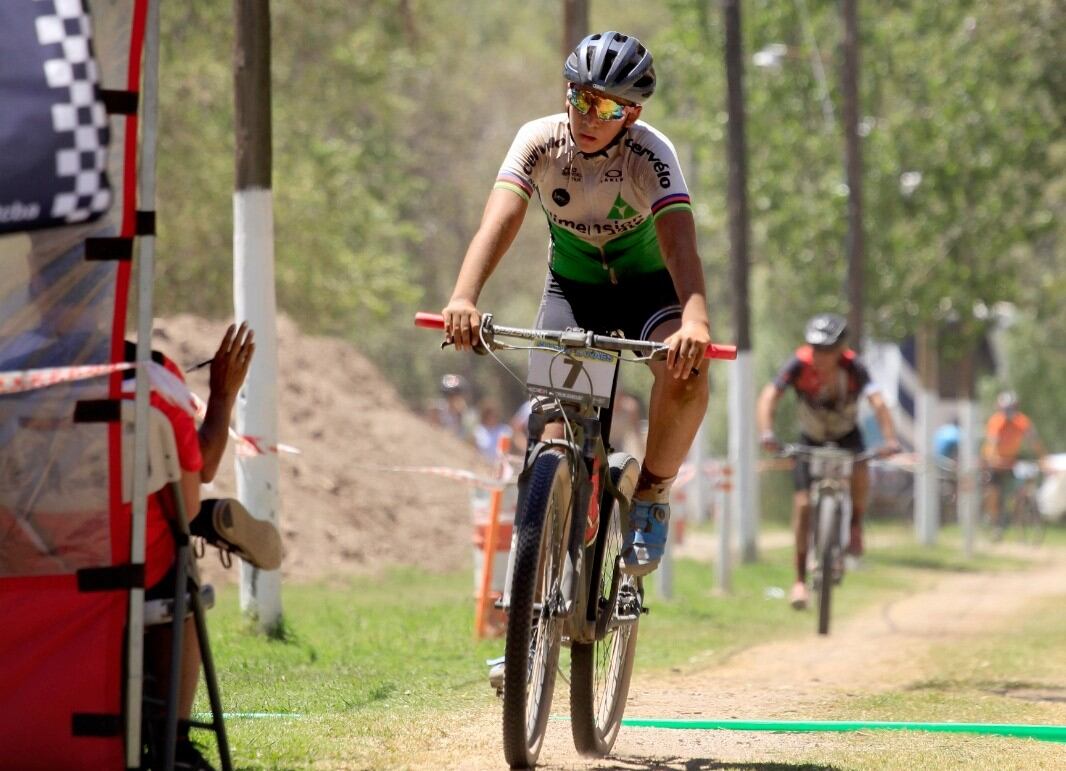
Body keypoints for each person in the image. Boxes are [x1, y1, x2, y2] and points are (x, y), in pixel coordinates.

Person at [442, 31, 711, 577]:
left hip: (646, 290)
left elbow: (679, 243)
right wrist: (464, 296)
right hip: (574, 290)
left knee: (686, 372)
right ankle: (530, 601)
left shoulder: (651, 154)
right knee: (551, 435)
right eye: (579, 96)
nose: (588, 115)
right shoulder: (539, 140)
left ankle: (652, 496)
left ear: (631, 114)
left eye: (606, 106)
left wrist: (697, 320)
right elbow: (500, 219)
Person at [757, 313, 901, 610]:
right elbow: (770, 395)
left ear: (840, 349)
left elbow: (878, 402)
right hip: (810, 438)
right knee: (803, 505)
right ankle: (798, 581)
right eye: (815, 348)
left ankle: (856, 525)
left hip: (848, 436)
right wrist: (767, 432)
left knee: (861, 468)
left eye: (827, 350)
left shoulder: (854, 368)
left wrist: (890, 440)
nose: (820, 356)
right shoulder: (799, 363)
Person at [981, 390, 1047, 532]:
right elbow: (991, 445)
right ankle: (994, 520)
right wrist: (993, 459)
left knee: (1023, 485)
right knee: (994, 490)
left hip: (1012, 460)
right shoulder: (996, 421)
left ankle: (1018, 513)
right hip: (996, 462)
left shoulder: (1022, 421)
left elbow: (1034, 441)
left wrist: (1043, 458)